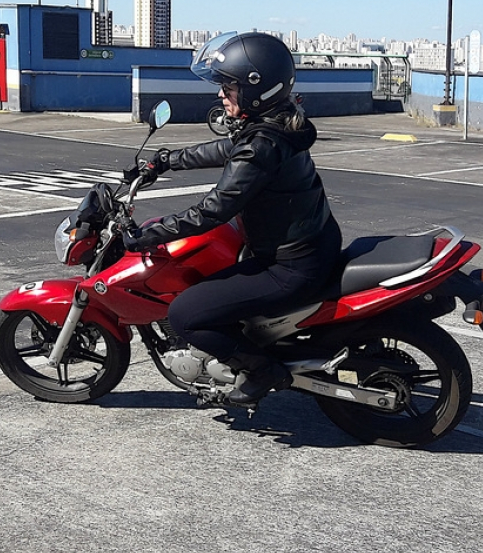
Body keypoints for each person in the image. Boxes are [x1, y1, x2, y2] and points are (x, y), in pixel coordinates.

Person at [124, 31, 342, 404]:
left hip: (290, 266)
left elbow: (216, 208)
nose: (221, 94)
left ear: (256, 90)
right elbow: (226, 149)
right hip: (309, 247)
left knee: (185, 314)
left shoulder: (261, 146)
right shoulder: (274, 127)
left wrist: (149, 234)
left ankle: (260, 370)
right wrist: (167, 160)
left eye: (229, 86)